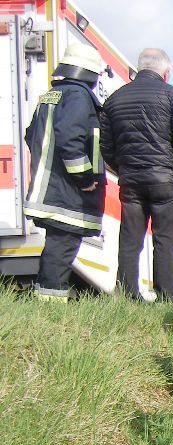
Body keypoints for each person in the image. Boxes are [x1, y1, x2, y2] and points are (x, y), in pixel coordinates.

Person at [100, 47, 173, 299]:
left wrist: (124, 169)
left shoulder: (115, 99)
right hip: (166, 181)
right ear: (165, 73)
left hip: (131, 181)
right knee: (164, 241)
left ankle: (127, 294)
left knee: (130, 240)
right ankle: (164, 296)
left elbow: (106, 147)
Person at [23, 43, 107, 302]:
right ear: (90, 73)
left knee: (56, 248)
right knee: (61, 250)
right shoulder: (77, 96)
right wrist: (84, 178)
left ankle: (48, 300)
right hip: (65, 192)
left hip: (50, 188)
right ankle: (51, 306)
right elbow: (71, 140)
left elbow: (30, 136)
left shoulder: (53, 95)